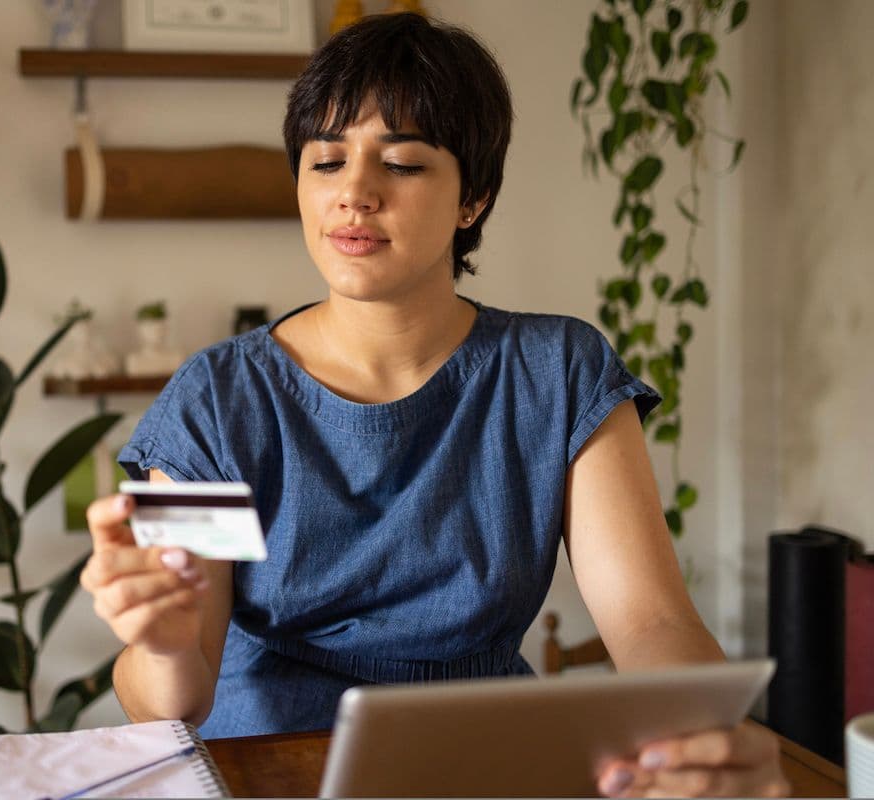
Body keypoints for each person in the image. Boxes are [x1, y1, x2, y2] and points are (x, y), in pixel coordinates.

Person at [80, 12, 789, 798]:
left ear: (472, 199)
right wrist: (168, 645)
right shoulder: (214, 400)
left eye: (404, 164)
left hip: (487, 767)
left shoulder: (559, 372)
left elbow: (651, 622)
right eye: (325, 162)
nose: (354, 193)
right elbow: (174, 696)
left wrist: (698, 737)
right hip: (271, 769)